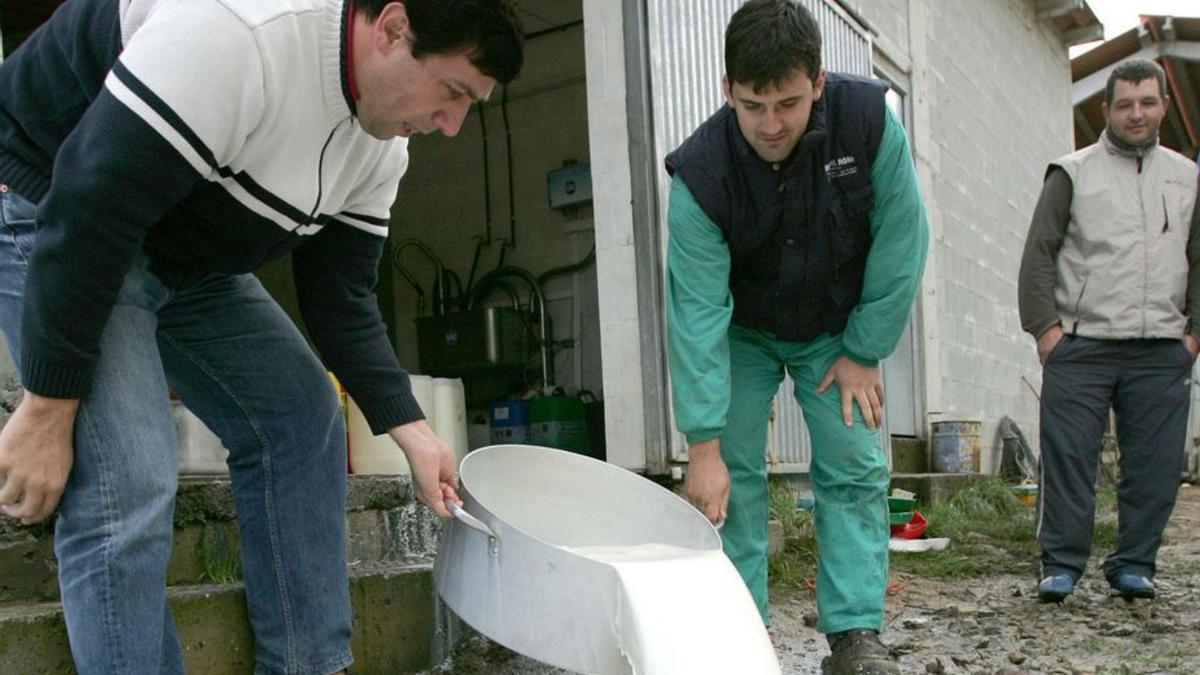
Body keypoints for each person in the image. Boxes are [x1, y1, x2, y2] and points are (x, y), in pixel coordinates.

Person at [0, 0, 522, 672]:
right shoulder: (241, 33)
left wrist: (413, 430)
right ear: (392, 28)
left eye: (468, 106)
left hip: (175, 242)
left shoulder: (382, 147)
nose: (451, 125)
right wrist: (47, 407)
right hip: (51, 202)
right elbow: (90, 208)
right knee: (127, 479)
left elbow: (341, 298)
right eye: (452, 93)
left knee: (301, 415)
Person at [663, 1, 928, 672]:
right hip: (742, 333)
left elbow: (903, 236)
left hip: (834, 331)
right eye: (753, 105)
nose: (771, 124)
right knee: (731, 479)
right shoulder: (699, 175)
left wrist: (865, 348)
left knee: (854, 464)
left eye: (787, 102)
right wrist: (702, 442)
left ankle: (854, 636)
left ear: (817, 82)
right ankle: (740, 641)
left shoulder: (869, 124)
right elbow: (695, 310)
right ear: (728, 90)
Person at [1018, 58, 1200, 604]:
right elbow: (1039, 257)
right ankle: (1061, 564)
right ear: (1107, 110)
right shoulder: (1071, 172)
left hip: (1163, 347)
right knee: (1069, 458)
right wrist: (1046, 333)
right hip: (1082, 342)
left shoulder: (1188, 178)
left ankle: (1134, 563)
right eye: (1125, 104)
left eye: (1147, 102)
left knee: (1155, 466)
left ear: (1165, 105)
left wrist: (1193, 335)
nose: (1136, 114)